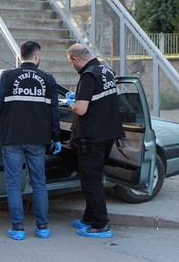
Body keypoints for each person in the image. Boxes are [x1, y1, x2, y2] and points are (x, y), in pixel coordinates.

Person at [0, 40, 61, 241]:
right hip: (38, 139)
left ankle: (18, 228)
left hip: (12, 137)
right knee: (39, 183)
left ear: (21, 56)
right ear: (36, 56)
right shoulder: (48, 80)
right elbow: (54, 113)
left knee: (13, 183)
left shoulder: (8, 76)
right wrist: (56, 138)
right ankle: (42, 227)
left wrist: (9, 114)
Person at [65, 43, 124, 238]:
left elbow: (81, 109)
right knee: (93, 177)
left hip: (92, 137)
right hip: (109, 134)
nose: (73, 67)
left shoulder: (88, 75)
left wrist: (71, 104)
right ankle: (88, 218)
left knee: (91, 181)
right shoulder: (106, 71)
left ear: (75, 59)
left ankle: (100, 225)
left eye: (71, 63)